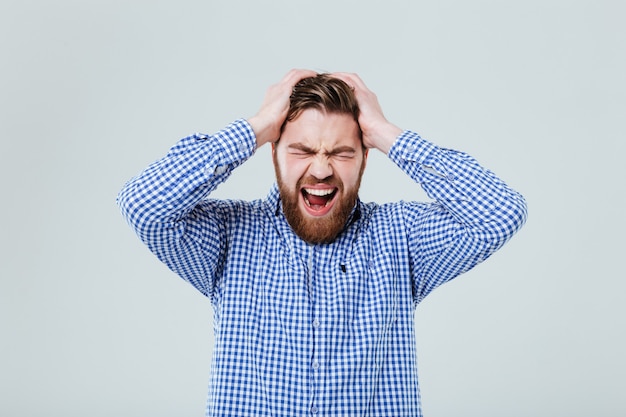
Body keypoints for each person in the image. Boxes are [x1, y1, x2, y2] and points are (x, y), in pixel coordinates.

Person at [117, 69, 527, 416]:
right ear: (273, 152)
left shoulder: (402, 237)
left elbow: (500, 213)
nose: (320, 168)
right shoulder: (228, 235)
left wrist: (385, 133)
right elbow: (143, 203)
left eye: (341, 153)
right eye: (302, 150)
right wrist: (255, 127)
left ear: (366, 158)